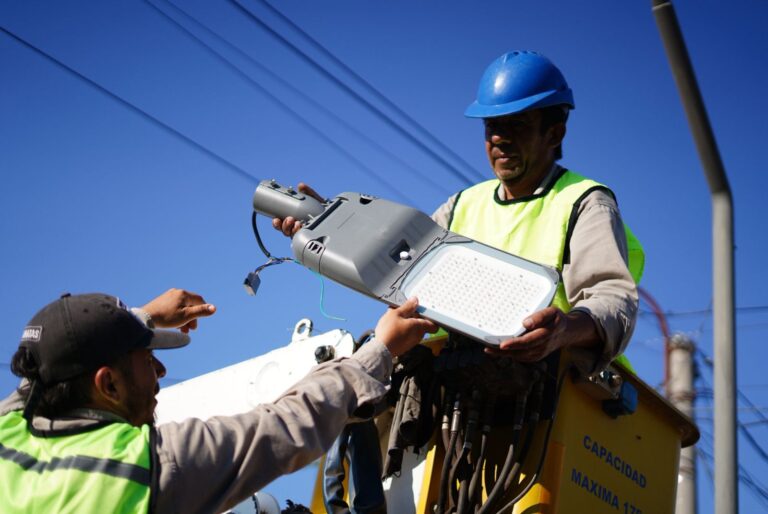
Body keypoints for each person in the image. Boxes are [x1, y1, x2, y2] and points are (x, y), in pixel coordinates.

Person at [273, 50, 643, 373]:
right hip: (460, 391)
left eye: (517, 124)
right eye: (492, 126)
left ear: (555, 134)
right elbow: (399, 275)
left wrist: (564, 330)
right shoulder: (462, 205)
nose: (499, 137)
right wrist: (332, 229)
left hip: (556, 396)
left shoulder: (584, 201)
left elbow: (614, 299)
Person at [0, 288, 437, 513]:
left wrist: (138, 319)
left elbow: (40, 372)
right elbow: (282, 427)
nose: (161, 372)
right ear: (108, 385)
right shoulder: (143, 471)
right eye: (148, 358)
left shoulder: (9, 433)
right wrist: (378, 351)